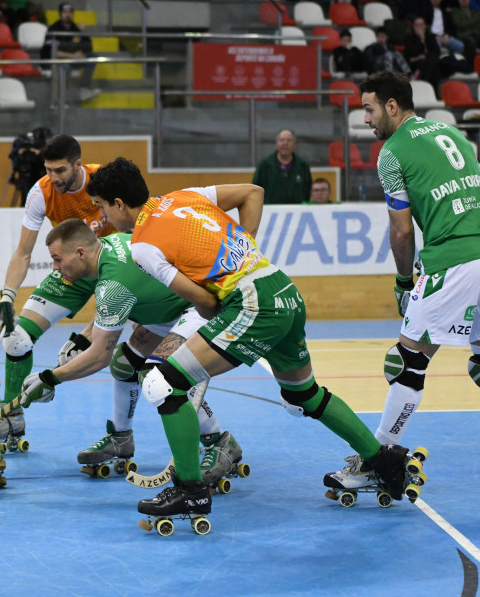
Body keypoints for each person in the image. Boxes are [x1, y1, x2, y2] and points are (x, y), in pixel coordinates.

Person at [74, 156, 419, 524]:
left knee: (161, 383)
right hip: (282, 287)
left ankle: (190, 492)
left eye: (102, 207)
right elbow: (253, 193)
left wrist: (225, 298)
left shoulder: (141, 246)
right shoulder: (184, 196)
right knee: (304, 394)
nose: (104, 218)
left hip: (253, 304)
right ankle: (384, 461)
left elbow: (205, 301)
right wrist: (244, 252)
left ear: (119, 204)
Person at [324, 70, 480, 489]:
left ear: (392, 106)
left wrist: (403, 281)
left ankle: (379, 460)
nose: (366, 120)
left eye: (369, 109)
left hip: (454, 260)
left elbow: (401, 231)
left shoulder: (392, 153)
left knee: (406, 361)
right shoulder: (454, 134)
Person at [21, 219, 244, 483]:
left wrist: (51, 378)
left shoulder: (112, 286)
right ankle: (120, 438)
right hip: (166, 309)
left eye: (57, 259)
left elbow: (99, 356)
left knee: (161, 378)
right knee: (125, 364)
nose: (55, 268)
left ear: (80, 253)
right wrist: (82, 339)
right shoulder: (109, 245)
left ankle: (220, 443)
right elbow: (118, 309)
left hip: (197, 307)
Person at [0, 134, 115, 448]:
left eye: (60, 170)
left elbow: (135, 244)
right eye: (48, 169)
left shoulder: (105, 181)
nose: (53, 177)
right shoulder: (41, 192)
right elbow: (23, 253)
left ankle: (120, 434)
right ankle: (11, 415)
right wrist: (7, 296)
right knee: (15, 341)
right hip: (72, 269)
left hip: (114, 266)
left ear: (77, 165)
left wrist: (87, 333)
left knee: (118, 359)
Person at [40, 2, 99, 101]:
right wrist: (72, 55)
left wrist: (83, 34)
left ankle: (84, 89)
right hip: (58, 61)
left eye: (70, 12)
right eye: (65, 12)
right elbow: (51, 52)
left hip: (73, 59)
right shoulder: (54, 29)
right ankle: (60, 98)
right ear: (60, 13)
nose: (68, 14)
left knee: (92, 58)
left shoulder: (75, 28)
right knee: (65, 66)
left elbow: (88, 46)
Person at [252, 129, 312, 204]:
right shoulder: (264, 165)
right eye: (282, 140)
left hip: (297, 212)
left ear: (294, 144)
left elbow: (308, 191)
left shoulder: (303, 166)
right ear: (277, 144)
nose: (285, 143)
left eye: (289, 140)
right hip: (270, 212)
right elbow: (255, 190)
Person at [8, 126, 52, 206]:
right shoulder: (26, 150)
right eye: (47, 139)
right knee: (26, 200)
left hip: (39, 178)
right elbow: (15, 159)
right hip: (27, 179)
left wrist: (38, 154)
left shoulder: (44, 154)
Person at [405, 17, 443, 94]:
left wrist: (424, 39)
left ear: (425, 26)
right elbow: (412, 53)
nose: (419, 27)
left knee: (434, 62)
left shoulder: (430, 37)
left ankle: (431, 91)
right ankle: (430, 91)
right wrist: (422, 40)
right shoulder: (409, 38)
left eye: (421, 25)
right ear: (413, 27)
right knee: (428, 64)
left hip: (429, 62)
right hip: (416, 63)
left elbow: (436, 51)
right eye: (417, 25)